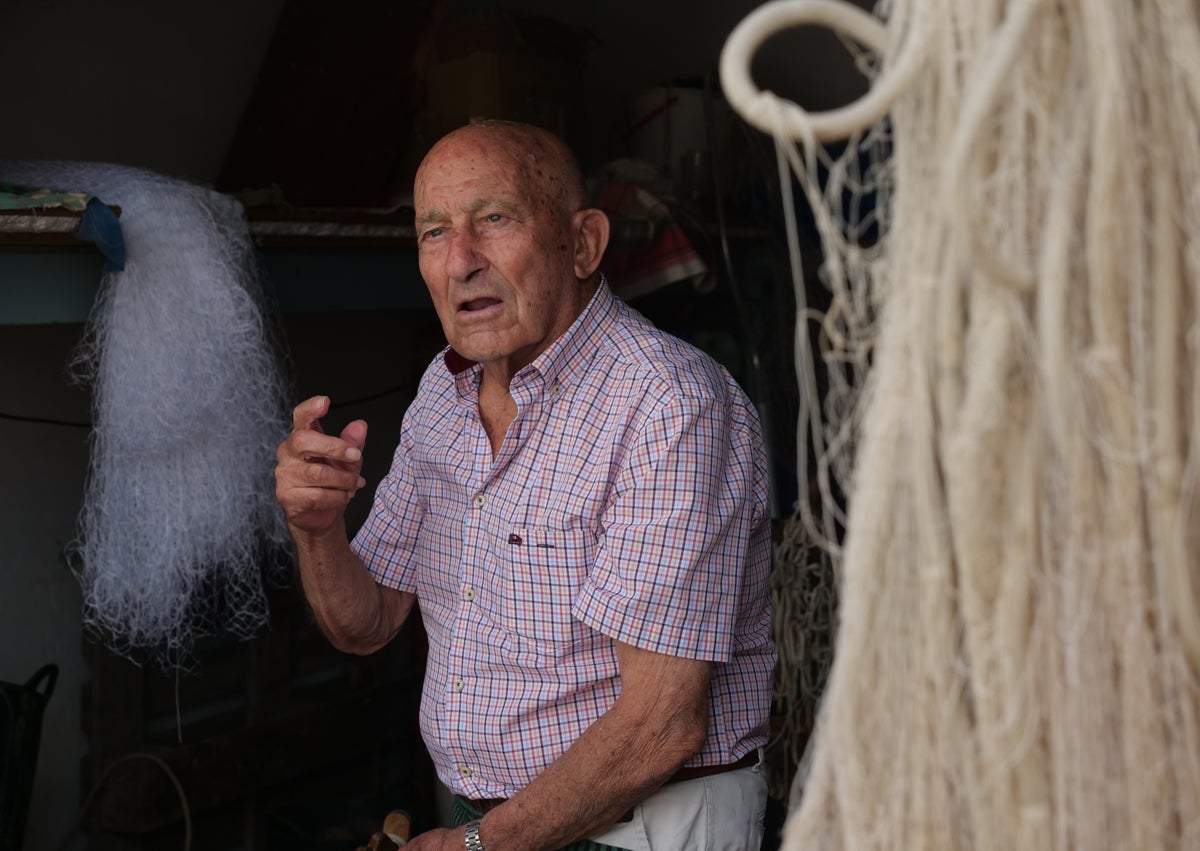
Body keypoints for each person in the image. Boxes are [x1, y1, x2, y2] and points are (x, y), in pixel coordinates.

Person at [274, 120, 776, 851]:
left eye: (495, 220)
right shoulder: (443, 396)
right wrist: (315, 528)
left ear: (583, 244)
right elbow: (367, 620)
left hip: (645, 828)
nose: (461, 261)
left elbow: (662, 723)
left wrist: (477, 846)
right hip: (504, 827)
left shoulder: (667, 402)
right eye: (434, 232)